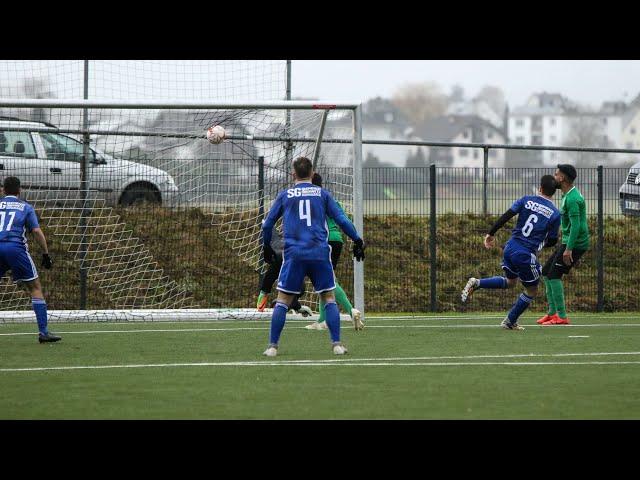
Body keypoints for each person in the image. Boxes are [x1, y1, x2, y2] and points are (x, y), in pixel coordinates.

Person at [261, 157, 365, 356]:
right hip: (319, 253)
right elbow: (341, 219)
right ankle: (337, 345)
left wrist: (267, 245)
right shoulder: (323, 194)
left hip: (294, 254)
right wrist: (357, 239)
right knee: (328, 297)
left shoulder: (285, 195)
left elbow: (267, 224)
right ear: (312, 173)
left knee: (283, 300)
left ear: (293, 174)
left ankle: (272, 347)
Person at [461, 174, 561, 330]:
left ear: (540, 188)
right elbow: (553, 240)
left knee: (510, 282)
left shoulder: (526, 199)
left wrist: (491, 233)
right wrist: (541, 243)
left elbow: (507, 215)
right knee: (532, 290)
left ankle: (477, 283)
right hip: (525, 254)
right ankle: (510, 321)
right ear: (554, 192)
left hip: (510, 247)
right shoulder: (555, 213)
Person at [0, 176, 59, 343]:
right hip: (15, 248)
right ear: (19, 190)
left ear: (3, 190)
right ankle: (43, 332)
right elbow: (36, 231)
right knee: (35, 287)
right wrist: (46, 254)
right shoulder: (25, 207)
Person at [304, 172, 363, 331]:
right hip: (336, 240)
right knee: (325, 280)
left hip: (323, 241)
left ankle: (351, 310)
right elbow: (342, 219)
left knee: (327, 282)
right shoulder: (330, 199)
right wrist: (356, 238)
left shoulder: (311, 201)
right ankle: (323, 320)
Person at [536, 164, 590, 326]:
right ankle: (552, 313)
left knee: (554, 275)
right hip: (568, 242)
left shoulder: (573, 199)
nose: (554, 177)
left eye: (556, 174)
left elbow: (577, 226)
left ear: (563, 178)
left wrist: (569, 249)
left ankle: (562, 316)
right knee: (546, 272)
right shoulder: (567, 195)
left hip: (576, 244)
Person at [256, 224, 312, 317]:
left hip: (282, 259)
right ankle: (288, 305)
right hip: (287, 259)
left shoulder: (274, 239)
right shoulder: (288, 240)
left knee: (269, 283)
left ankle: (280, 304)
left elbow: (267, 256)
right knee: (299, 288)